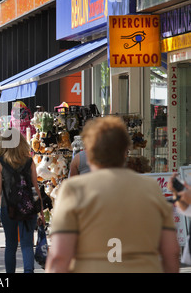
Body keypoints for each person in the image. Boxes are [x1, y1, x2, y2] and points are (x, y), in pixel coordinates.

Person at [46, 116, 180, 273]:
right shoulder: (151, 188)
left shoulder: (74, 190)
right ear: (125, 151)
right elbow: (171, 252)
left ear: (89, 151)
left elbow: (60, 257)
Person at [0, 127, 43, 273]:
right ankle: (28, 271)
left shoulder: (0, 162)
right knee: (27, 244)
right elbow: (35, 187)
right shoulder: (29, 161)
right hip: (28, 207)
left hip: (8, 207)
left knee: (11, 245)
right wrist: (40, 211)